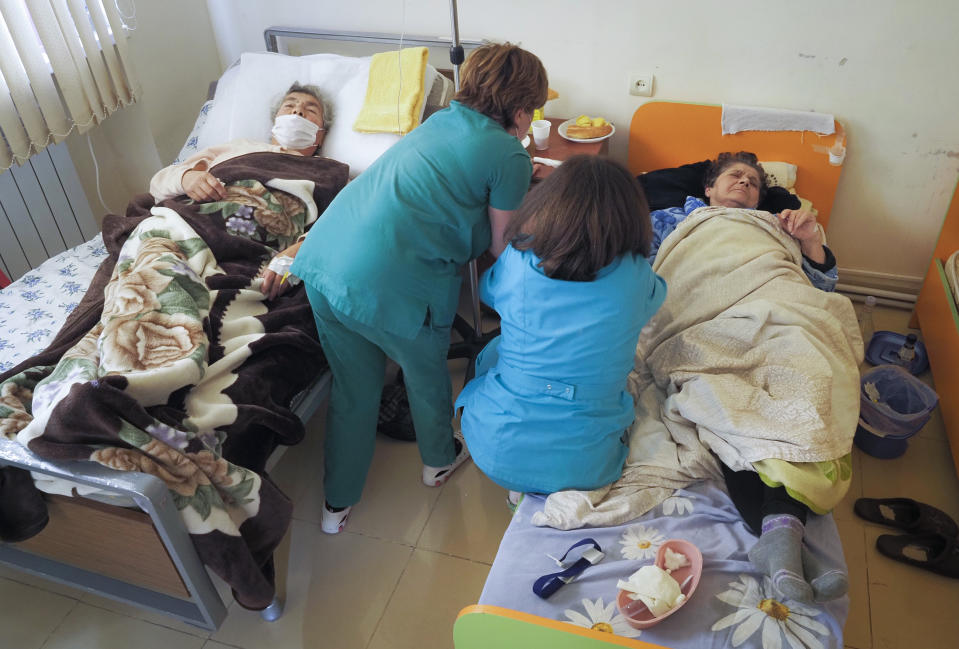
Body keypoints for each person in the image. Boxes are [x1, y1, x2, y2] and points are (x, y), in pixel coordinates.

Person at [265, 43, 548, 534]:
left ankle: (336, 507)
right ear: (521, 111)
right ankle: (438, 461)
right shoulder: (507, 153)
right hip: (393, 287)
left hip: (324, 264)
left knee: (355, 389)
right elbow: (503, 248)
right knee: (425, 373)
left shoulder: (440, 121)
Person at [648, 151, 846, 603]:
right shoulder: (672, 219)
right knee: (721, 397)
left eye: (753, 182)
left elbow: (822, 289)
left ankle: (777, 540)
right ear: (708, 190)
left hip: (778, 313)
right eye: (734, 177)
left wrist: (811, 243)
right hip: (703, 317)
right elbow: (636, 269)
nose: (743, 184)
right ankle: (782, 537)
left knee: (806, 378)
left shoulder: (777, 225)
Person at [455, 155, 666, 505]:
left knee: (494, 352)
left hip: (494, 447)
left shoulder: (519, 259)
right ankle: (535, 486)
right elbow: (655, 298)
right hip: (588, 465)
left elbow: (489, 293)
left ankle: (519, 486)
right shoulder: (635, 274)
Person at [149, 83, 333, 202]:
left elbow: (344, 220)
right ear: (275, 120)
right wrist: (186, 178)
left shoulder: (327, 171)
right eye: (289, 105)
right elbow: (158, 184)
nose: (297, 111)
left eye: (311, 110)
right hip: (192, 220)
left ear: (322, 134)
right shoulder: (238, 147)